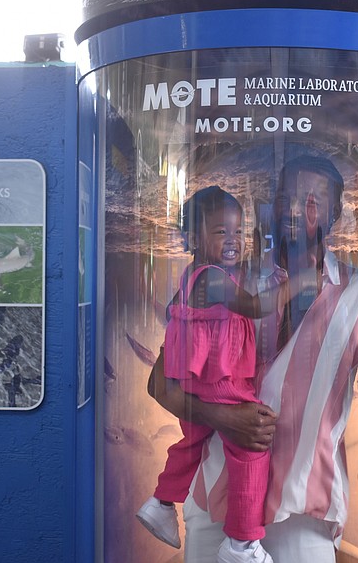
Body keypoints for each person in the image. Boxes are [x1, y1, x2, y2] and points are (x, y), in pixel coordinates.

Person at [148, 155, 358, 563]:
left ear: (335, 213)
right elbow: (158, 383)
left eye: (311, 201)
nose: (294, 209)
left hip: (303, 512)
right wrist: (223, 418)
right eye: (285, 197)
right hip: (217, 502)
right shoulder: (225, 278)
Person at [137, 186, 287, 563]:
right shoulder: (212, 279)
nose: (233, 240)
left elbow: (174, 316)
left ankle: (161, 502)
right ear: (192, 238)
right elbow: (256, 306)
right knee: (251, 450)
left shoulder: (200, 275)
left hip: (193, 376)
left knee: (192, 440)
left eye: (239, 231)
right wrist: (293, 286)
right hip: (216, 381)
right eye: (221, 232)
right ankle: (241, 543)